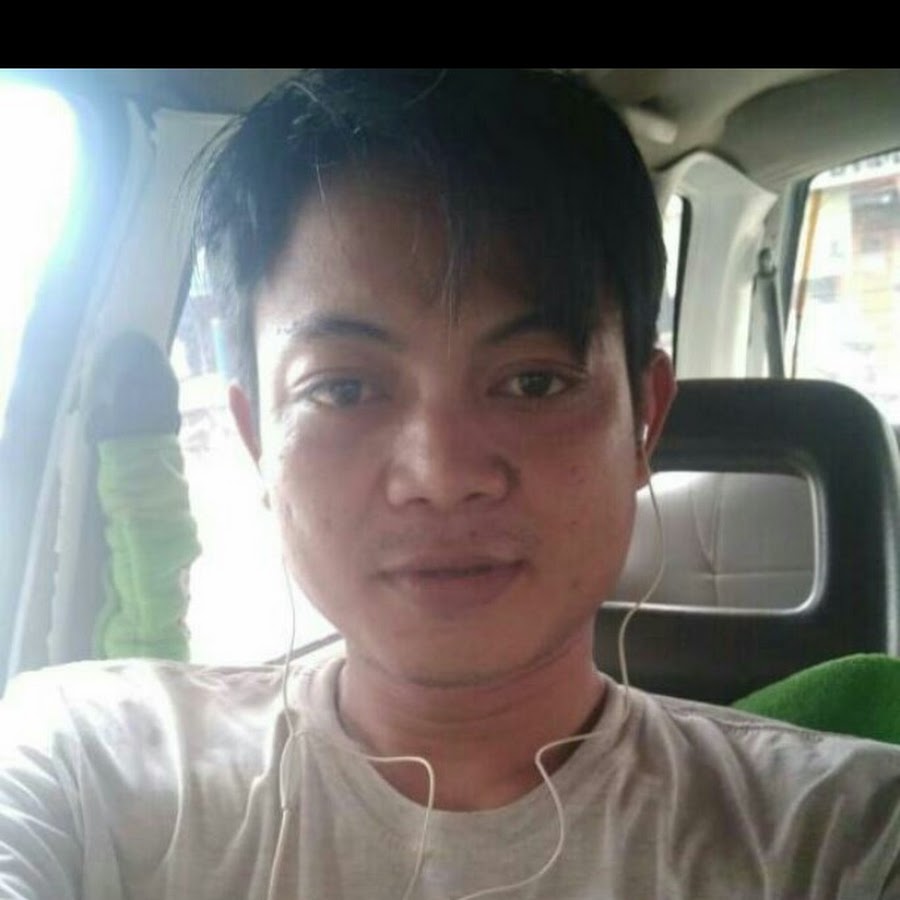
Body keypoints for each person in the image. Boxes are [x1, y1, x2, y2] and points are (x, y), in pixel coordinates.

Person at [2, 68, 900, 899]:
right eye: (343, 389)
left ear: (644, 421)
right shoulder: (88, 771)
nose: (440, 476)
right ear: (256, 440)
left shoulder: (840, 835)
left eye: (534, 381)